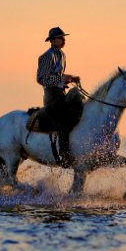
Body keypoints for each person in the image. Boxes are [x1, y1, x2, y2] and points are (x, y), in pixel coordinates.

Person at [36, 27, 81, 167]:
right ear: (52, 40)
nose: (64, 40)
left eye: (63, 37)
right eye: (60, 37)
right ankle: (64, 154)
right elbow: (41, 79)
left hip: (61, 93)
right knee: (65, 118)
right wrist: (64, 78)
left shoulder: (62, 54)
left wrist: (69, 79)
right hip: (52, 96)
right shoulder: (46, 56)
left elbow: (58, 77)